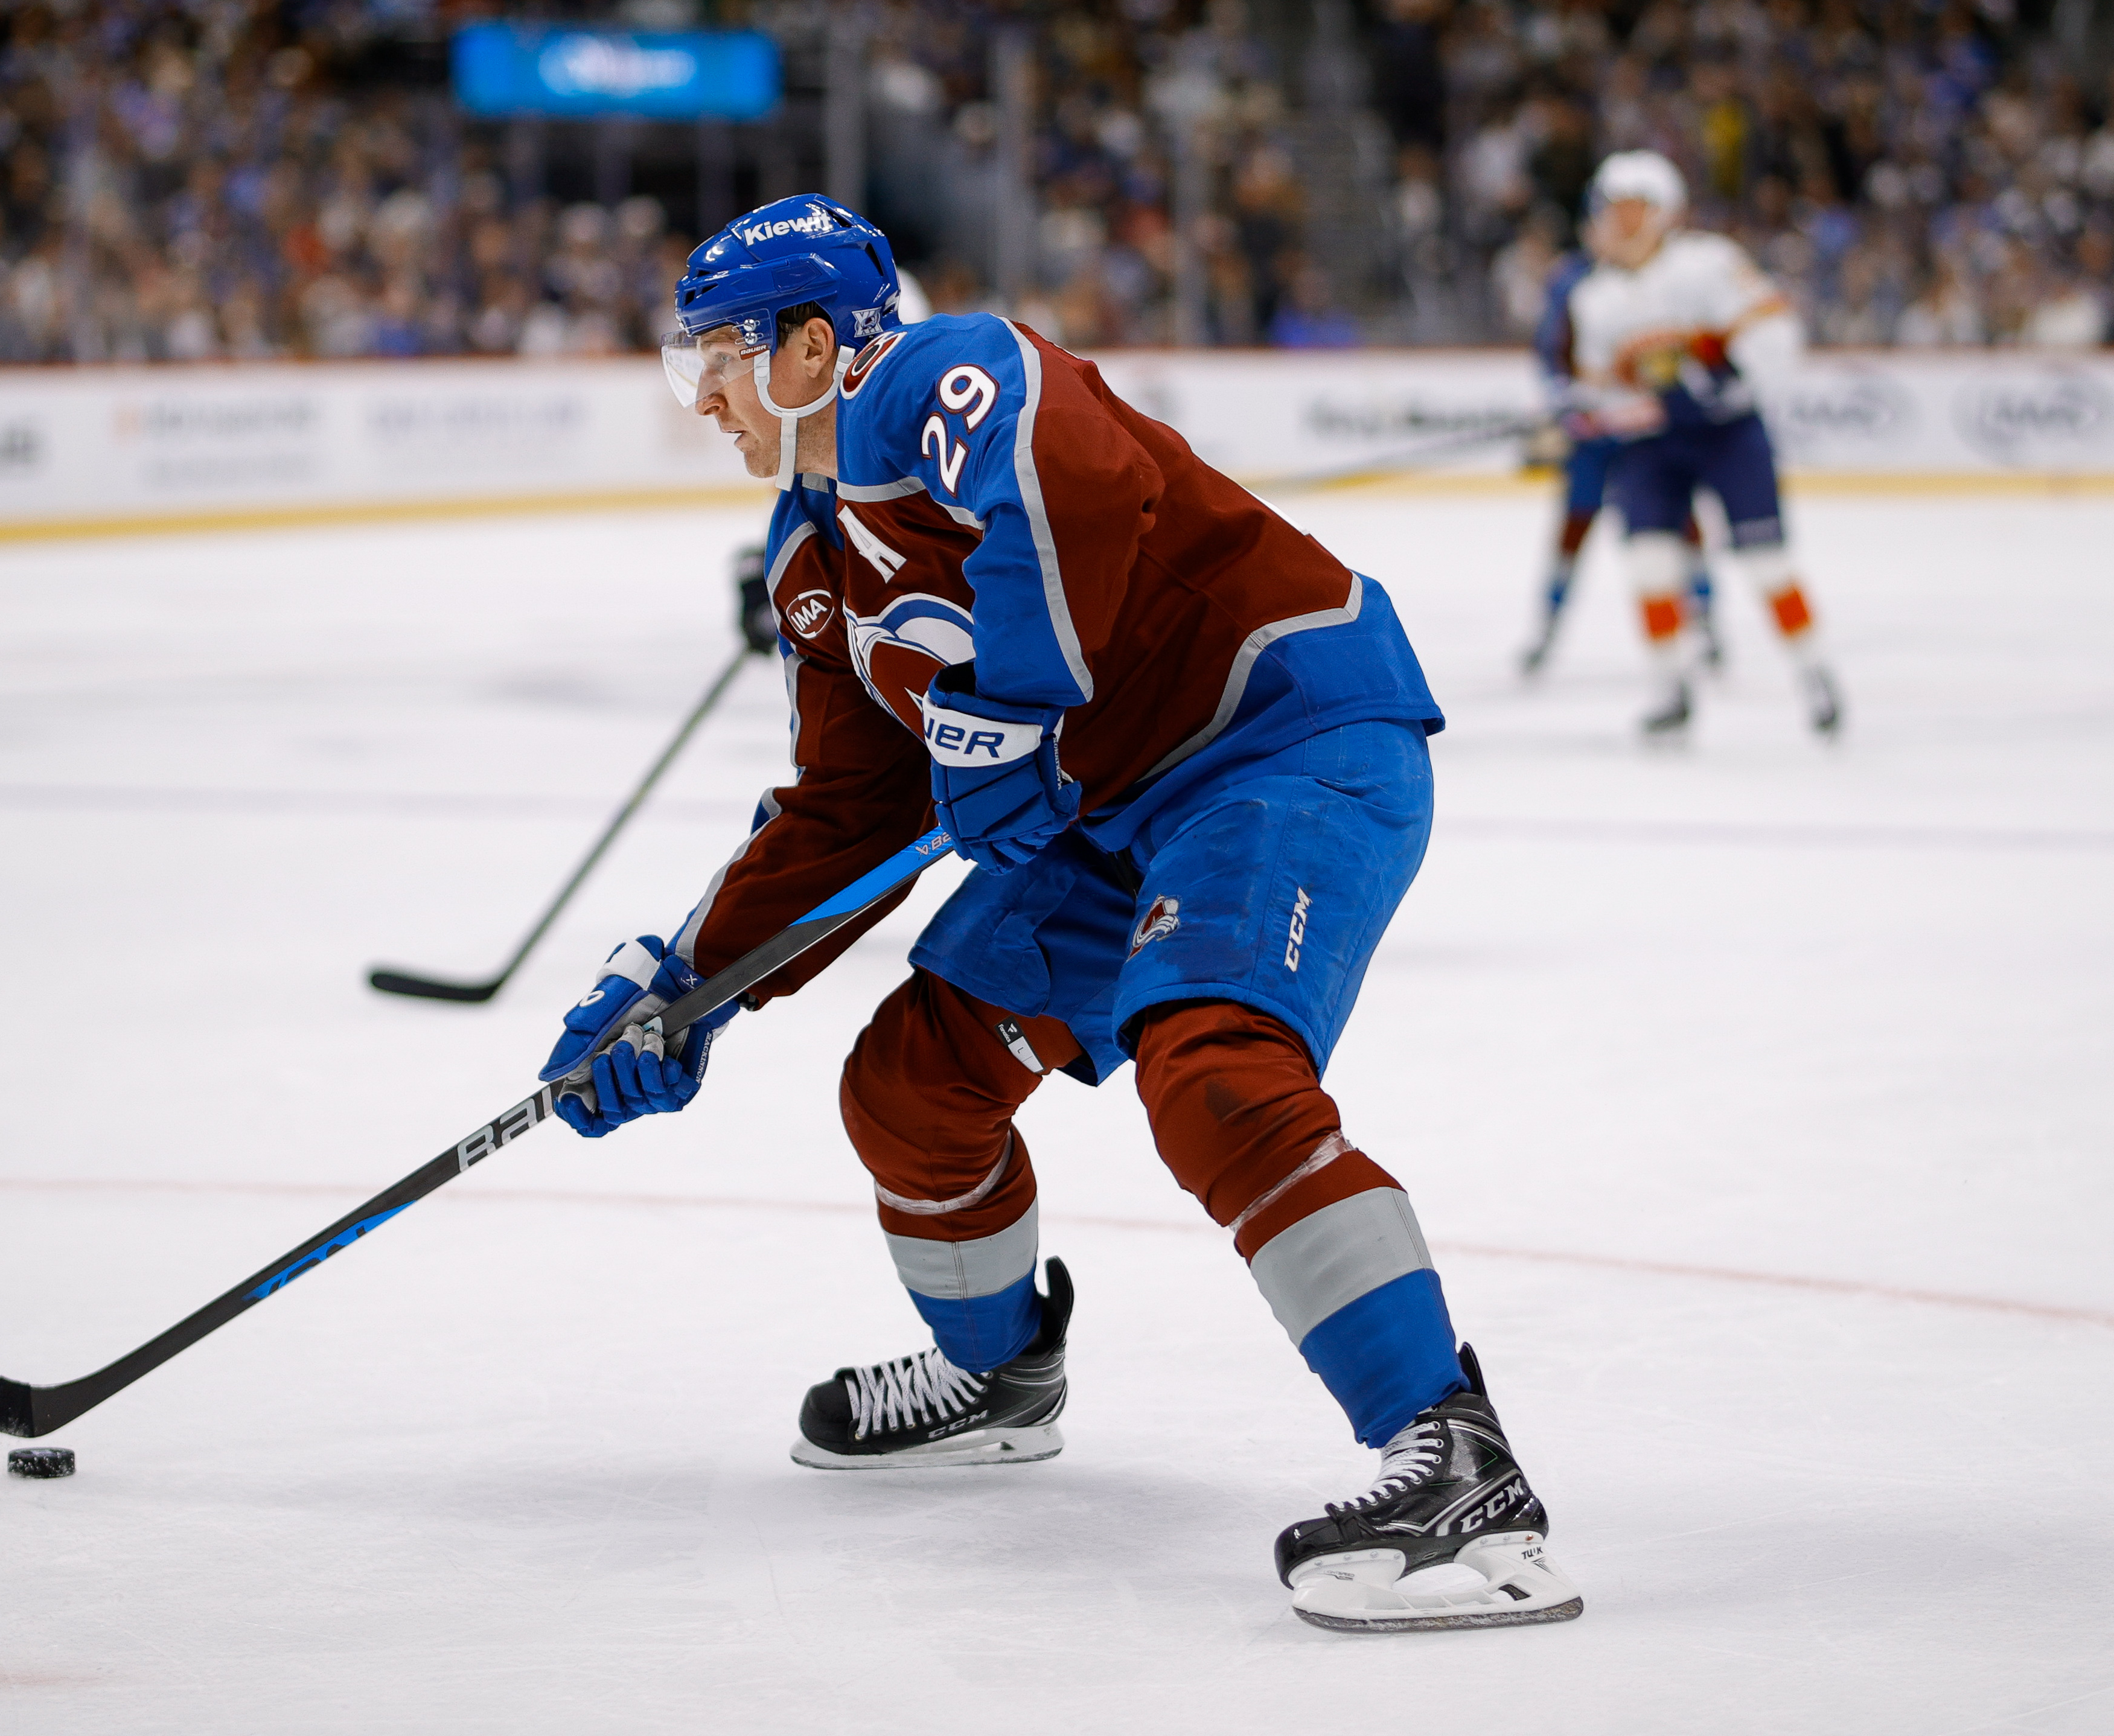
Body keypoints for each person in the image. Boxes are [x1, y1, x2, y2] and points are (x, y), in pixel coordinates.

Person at [536, 195, 1582, 1632]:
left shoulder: (935, 376)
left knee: (1209, 1062)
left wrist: (1001, 716)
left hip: (1278, 739)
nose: (700, 395)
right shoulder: (815, 558)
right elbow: (855, 810)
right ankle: (1000, 1372)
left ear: (814, 345)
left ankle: (1459, 1466)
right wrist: (686, 983)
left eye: (716, 353)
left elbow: (1072, 488)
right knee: (912, 1081)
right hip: (1109, 809)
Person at [1565, 152, 1841, 736]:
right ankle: (1670, 689)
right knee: (1649, 564)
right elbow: (1601, 389)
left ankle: (1814, 673)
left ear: (1659, 210)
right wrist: (1593, 415)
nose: (1614, 220)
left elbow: (1774, 333)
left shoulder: (1708, 265)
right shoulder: (1594, 297)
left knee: (1767, 563)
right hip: (1654, 444)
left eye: (1627, 207)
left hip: (1727, 435)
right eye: (1609, 208)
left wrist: (1726, 387)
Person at [1521, 237, 1718, 677]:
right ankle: (1547, 626)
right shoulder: (1573, 281)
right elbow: (1553, 352)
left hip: (1645, 429)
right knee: (1574, 525)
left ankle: (1705, 620)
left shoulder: (1666, 276)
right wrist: (1566, 398)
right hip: (1594, 434)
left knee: (1679, 521)